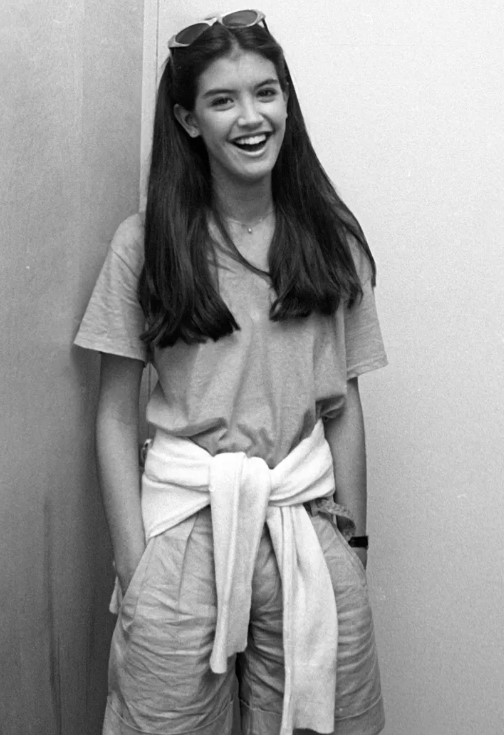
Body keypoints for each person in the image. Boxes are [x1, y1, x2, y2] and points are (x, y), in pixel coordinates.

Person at [74, 9, 387, 735]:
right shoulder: (145, 244)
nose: (251, 117)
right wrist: (133, 565)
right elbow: (114, 414)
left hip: (306, 529)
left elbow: (344, 407)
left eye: (265, 92)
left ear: (286, 101)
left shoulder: (331, 242)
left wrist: (355, 546)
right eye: (222, 99)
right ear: (189, 120)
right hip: (184, 537)